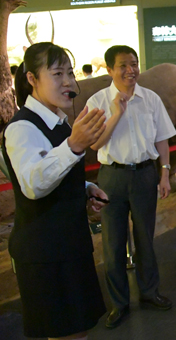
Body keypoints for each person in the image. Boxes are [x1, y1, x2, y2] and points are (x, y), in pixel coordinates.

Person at [2, 42, 107, 340]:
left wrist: (85, 189)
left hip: (68, 246)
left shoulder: (60, 123)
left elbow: (55, 172)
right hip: (45, 253)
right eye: (57, 73)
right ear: (32, 79)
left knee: (77, 331)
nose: (68, 82)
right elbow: (32, 184)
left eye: (70, 73)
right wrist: (74, 145)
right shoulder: (22, 128)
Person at [86, 45, 176, 329]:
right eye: (123, 65)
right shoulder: (98, 101)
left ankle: (149, 292)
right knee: (113, 242)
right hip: (111, 177)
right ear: (110, 70)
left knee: (145, 238)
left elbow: (162, 138)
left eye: (134, 63)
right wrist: (116, 113)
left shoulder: (150, 98)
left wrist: (164, 173)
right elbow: (95, 144)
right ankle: (119, 303)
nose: (130, 70)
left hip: (144, 175)